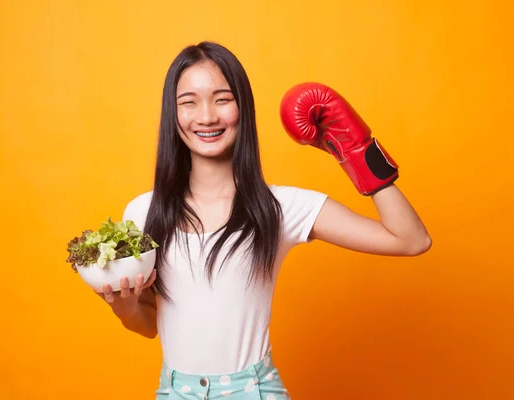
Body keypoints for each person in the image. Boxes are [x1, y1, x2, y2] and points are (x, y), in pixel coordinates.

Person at [95, 41, 431, 399]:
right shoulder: (143, 213)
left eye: (222, 99)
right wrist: (124, 307)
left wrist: (354, 148)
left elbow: (410, 239)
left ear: (243, 108)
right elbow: (147, 324)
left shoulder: (280, 206)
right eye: (188, 102)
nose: (206, 116)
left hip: (254, 391)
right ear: (171, 114)